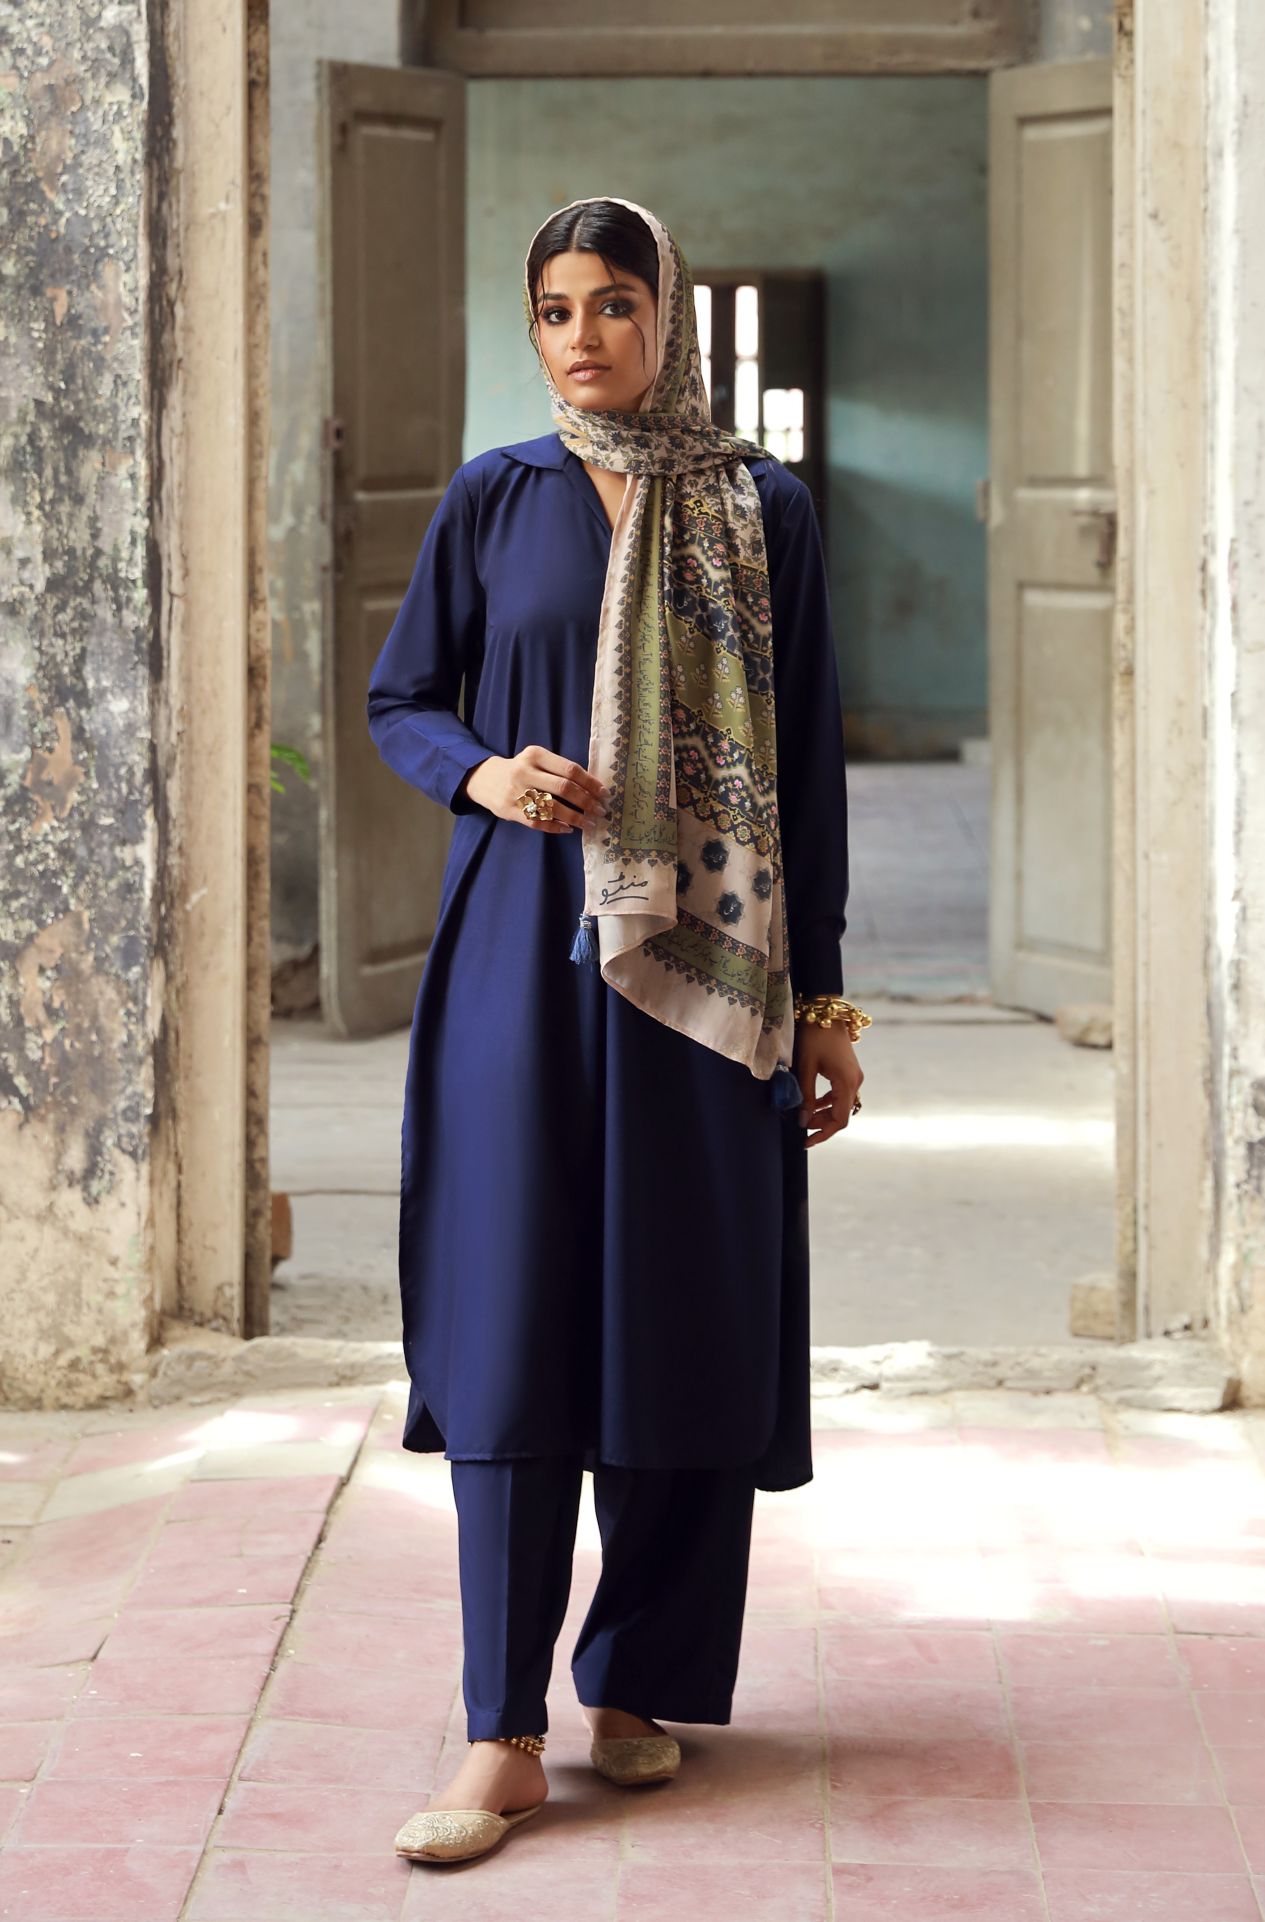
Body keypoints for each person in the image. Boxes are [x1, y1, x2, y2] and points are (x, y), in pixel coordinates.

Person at [367, 195, 866, 1867]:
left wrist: (823, 1005)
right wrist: (485, 774)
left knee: (681, 1306)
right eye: (555, 308)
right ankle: (500, 1727)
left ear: (667, 319)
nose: (583, 335)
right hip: (518, 955)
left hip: (713, 968)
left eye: (615, 304)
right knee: (510, 1310)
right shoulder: (493, 497)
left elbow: (804, 765)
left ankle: (638, 1676)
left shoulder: (760, 506)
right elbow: (401, 700)